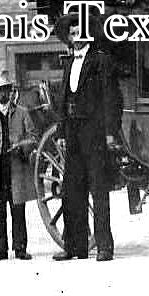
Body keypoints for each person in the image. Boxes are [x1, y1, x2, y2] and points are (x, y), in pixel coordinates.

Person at [53, 14, 121, 262]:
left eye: (79, 32)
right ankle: (75, 247)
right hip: (73, 131)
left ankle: (104, 247)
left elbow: (111, 98)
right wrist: (61, 132)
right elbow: (63, 99)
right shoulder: (69, 62)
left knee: (98, 189)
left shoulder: (101, 61)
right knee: (71, 190)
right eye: (72, 34)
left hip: (94, 131)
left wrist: (110, 132)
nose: (76, 37)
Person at [0, 70, 39, 262]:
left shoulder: (22, 113)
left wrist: (23, 146)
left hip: (16, 169)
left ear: (11, 91)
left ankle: (20, 248)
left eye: (5, 89)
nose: (2, 93)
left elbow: (33, 137)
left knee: (18, 208)